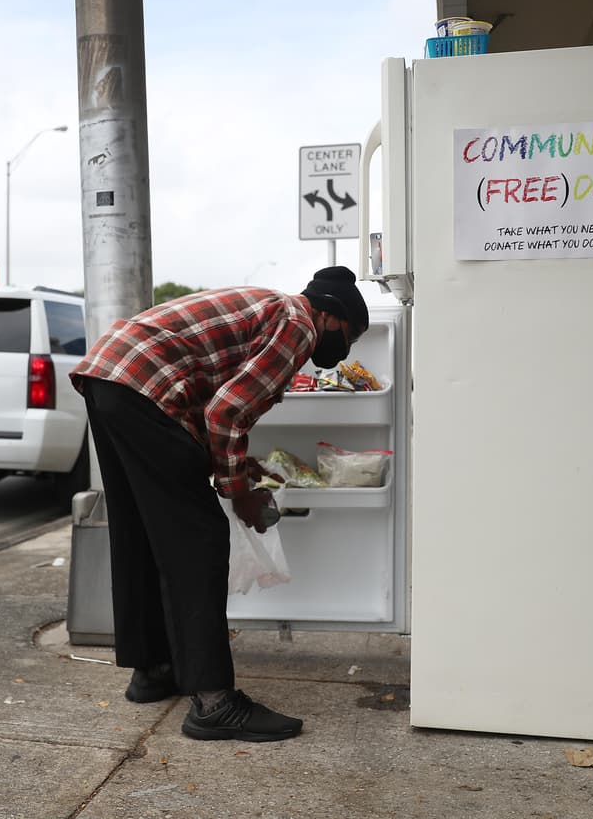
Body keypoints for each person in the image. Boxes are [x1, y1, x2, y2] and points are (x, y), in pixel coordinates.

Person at [69, 266, 369, 742]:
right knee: (199, 540)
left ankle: (153, 669)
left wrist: (236, 465)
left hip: (112, 377)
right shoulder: (299, 324)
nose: (341, 351)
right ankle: (214, 702)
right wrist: (240, 494)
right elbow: (226, 411)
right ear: (332, 316)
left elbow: (206, 403)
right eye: (350, 337)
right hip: (143, 385)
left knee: (143, 531)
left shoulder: (271, 308)